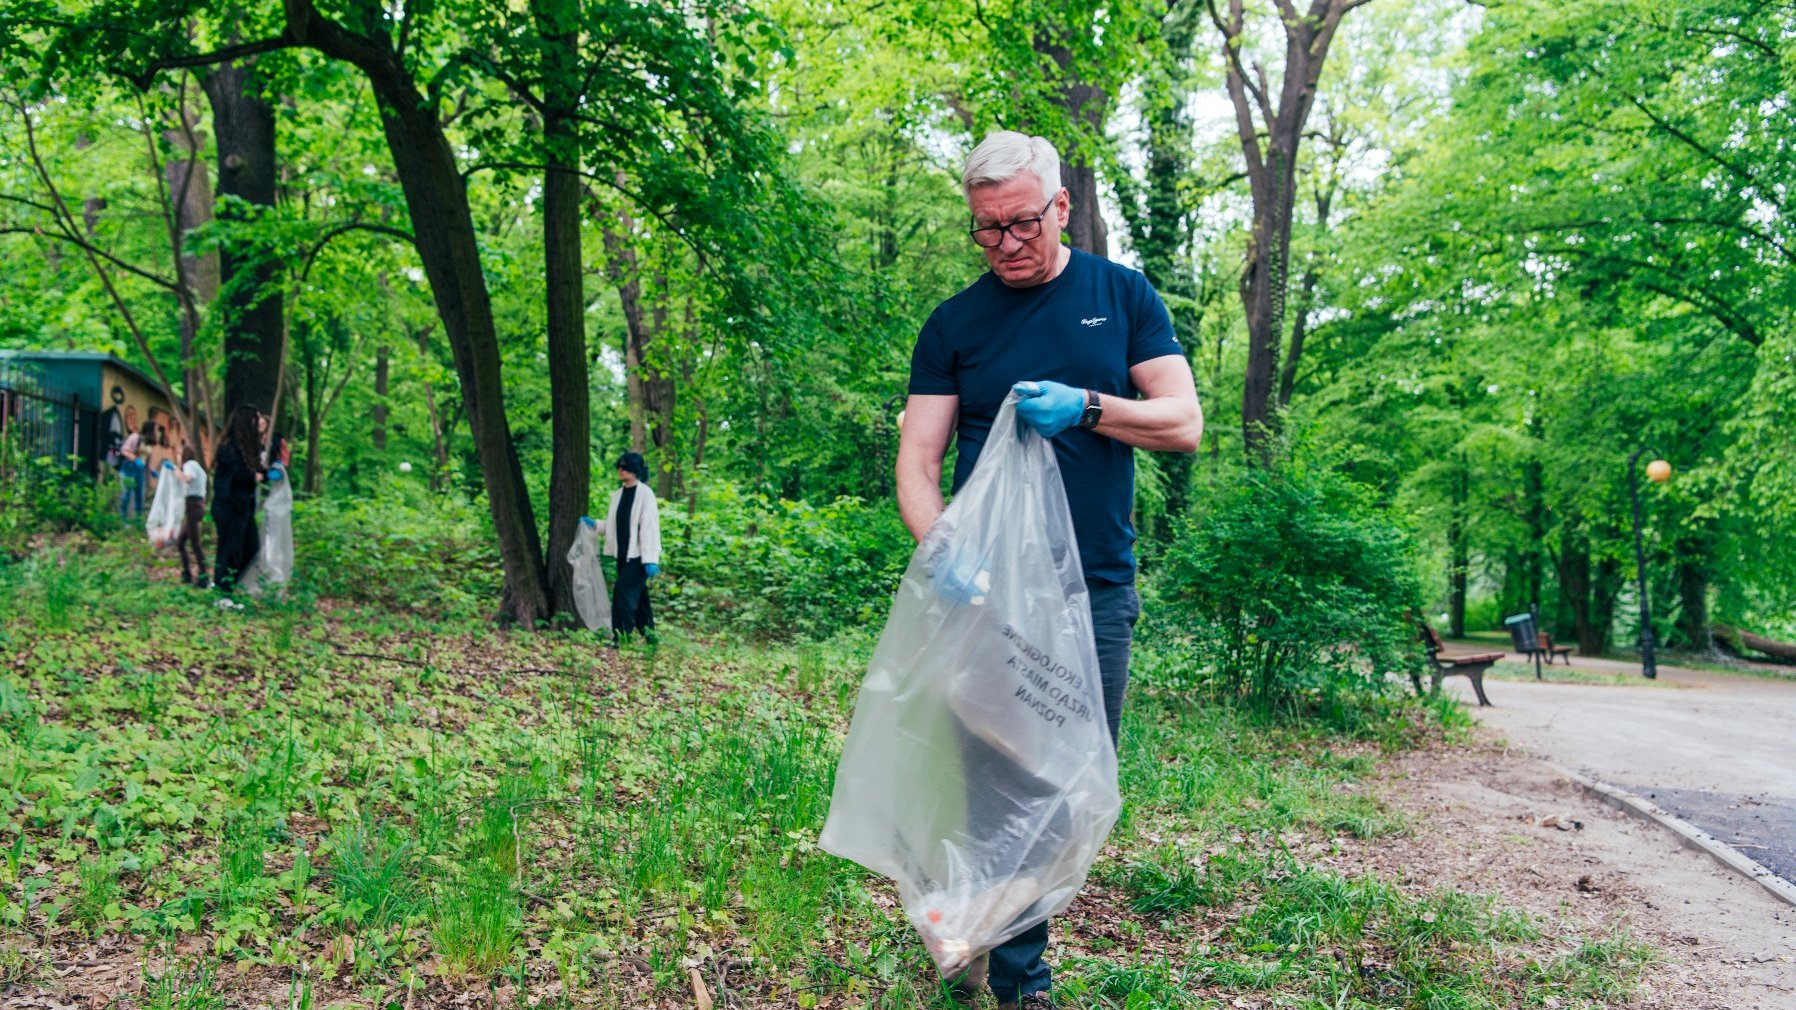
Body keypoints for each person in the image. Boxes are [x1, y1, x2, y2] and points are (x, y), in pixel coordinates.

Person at [895, 131, 1203, 1010]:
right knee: (991, 774)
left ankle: (994, 933)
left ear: (1061, 206)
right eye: (986, 231)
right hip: (985, 592)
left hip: (1096, 588)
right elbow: (918, 462)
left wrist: (1093, 408)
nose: (1006, 245)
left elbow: (1182, 422)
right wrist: (942, 551)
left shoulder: (1122, 295)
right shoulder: (955, 323)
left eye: (1022, 222)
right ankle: (1009, 975)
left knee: (1066, 779)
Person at [594, 452, 661, 643]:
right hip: (622, 556)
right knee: (639, 599)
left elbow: (649, 528)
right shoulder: (618, 495)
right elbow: (615, 526)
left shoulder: (645, 494)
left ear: (635, 469)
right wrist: (595, 525)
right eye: (619, 466)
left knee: (622, 593)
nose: (620, 470)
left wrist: (650, 560)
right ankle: (651, 637)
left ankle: (620, 637)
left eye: (624, 467)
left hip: (639, 558)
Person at [211, 405, 267, 593]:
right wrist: (255, 476)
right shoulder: (231, 446)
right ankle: (223, 591)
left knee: (251, 548)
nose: (260, 421)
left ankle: (228, 585)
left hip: (243, 508)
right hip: (229, 506)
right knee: (229, 550)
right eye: (256, 418)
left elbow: (255, 472)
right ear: (246, 422)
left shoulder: (248, 447)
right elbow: (239, 474)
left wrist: (265, 474)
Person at [172, 444, 209, 587]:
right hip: (196, 505)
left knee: (195, 544)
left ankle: (203, 576)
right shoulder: (199, 467)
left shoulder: (190, 465)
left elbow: (187, 478)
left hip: (193, 505)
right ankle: (187, 573)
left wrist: (177, 472)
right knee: (181, 541)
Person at [116, 419, 156, 519]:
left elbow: (147, 461)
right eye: (155, 429)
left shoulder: (148, 443)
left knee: (139, 496)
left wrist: (152, 471)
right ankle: (122, 520)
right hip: (129, 469)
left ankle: (138, 520)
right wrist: (135, 459)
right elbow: (124, 450)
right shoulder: (135, 437)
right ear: (150, 429)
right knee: (126, 495)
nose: (157, 432)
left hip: (140, 471)